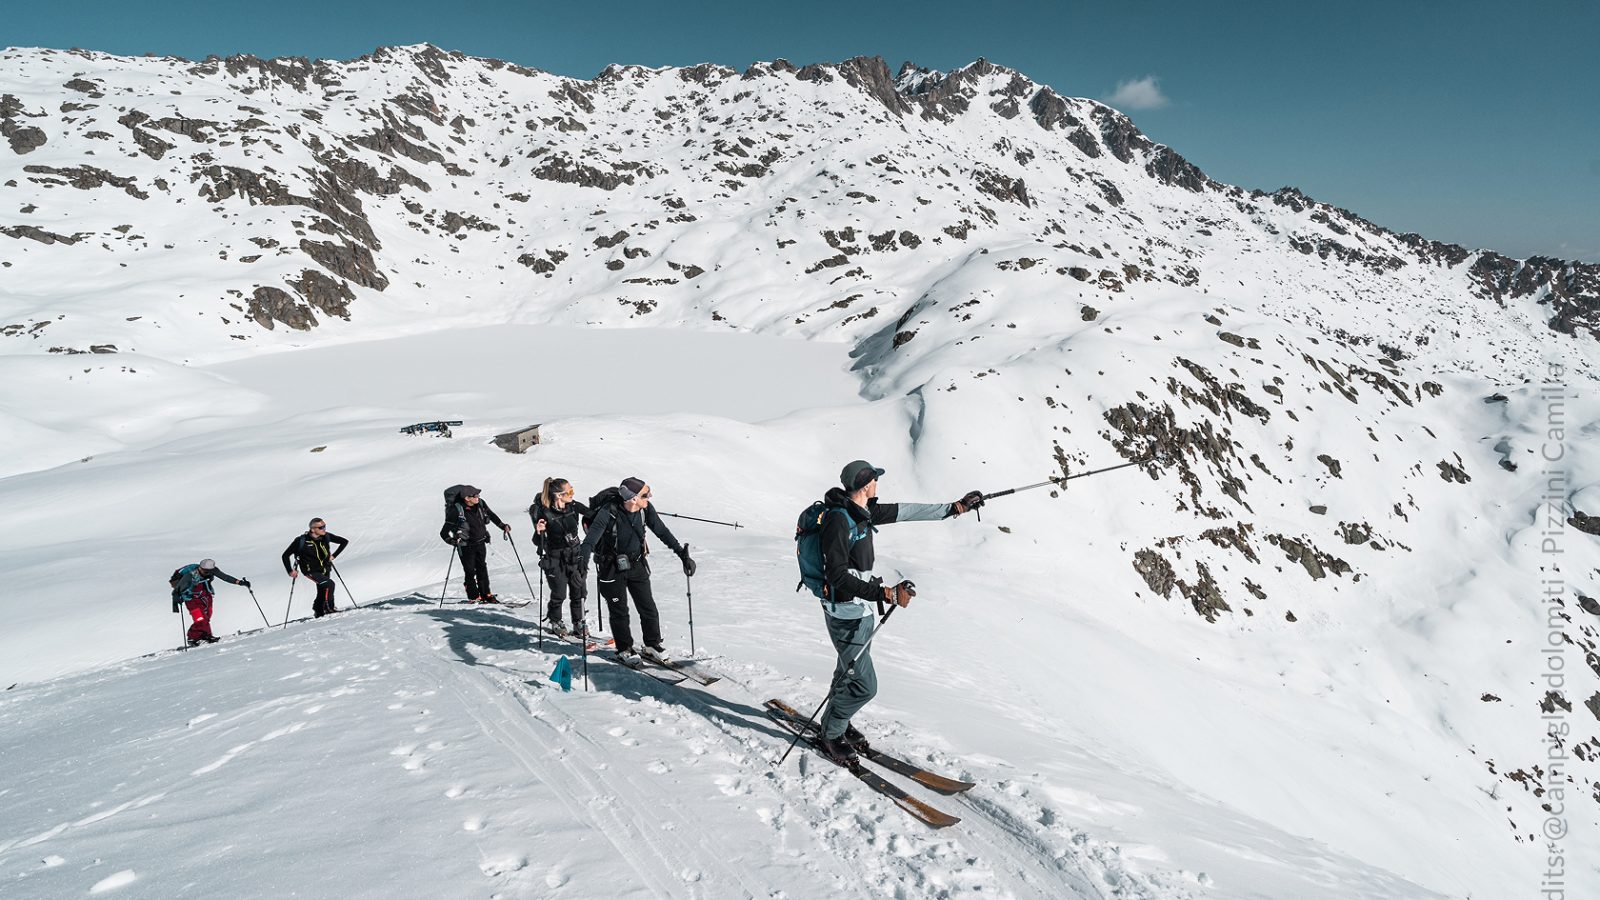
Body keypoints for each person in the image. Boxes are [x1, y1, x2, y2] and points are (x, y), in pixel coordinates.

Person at [812, 460, 982, 766]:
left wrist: (955, 508)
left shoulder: (863, 511)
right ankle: (831, 735)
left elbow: (909, 511)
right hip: (845, 613)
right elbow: (836, 575)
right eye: (875, 479)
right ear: (866, 485)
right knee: (865, 685)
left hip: (860, 611)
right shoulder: (839, 521)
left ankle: (838, 721)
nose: (878, 482)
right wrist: (885, 593)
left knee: (848, 670)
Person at [577, 476, 695, 667]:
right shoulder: (609, 512)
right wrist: (582, 561)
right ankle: (624, 649)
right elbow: (590, 540)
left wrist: (682, 554)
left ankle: (652, 645)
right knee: (619, 611)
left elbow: (662, 532)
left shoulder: (645, 509)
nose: (650, 497)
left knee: (648, 607)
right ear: (632, 498)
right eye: (645, 494)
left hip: (637, 564)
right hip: (611, 568)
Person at [531, 477, 591, 638]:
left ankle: (578, 622)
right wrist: (539, 531)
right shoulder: (544, 512)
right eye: (569, 491)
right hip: (555, 558)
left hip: (575, 555)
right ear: (558, 495)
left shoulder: (573, 506)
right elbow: (537, 541)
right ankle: (555, 620)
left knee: (579, 590)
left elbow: (593, 514)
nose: (573, 493)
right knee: (559, 593)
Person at [440, 485, 511, 603]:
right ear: (467, 498)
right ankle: (473, 596)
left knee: (482, 568)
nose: (478, 497)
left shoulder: (481, 504)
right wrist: (452, 541)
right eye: (475, 495)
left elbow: (491, 515)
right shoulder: (456, 510)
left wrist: (502, 526)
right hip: (465, 546)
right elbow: (443, 532)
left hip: (480, 542)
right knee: (470, 571)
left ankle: (486, 594)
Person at [172, 558, 250, 646]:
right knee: (200, 619)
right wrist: (176, 601)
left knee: (207, 616)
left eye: (209, 571)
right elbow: (177, 590)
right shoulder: (191, 575)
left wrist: (239, 582)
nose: (207, 573)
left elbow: (225, 577)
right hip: (191, 599)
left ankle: (206, 635)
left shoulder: (212, 570)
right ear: (201, 568)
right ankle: (192, 638)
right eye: (205, 571)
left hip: (206, 596)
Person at [281, 517, 349, 617]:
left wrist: (333, 556)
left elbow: (344, 541)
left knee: (322, 589)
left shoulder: (326, 536)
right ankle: (329, 608)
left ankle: (318, 610)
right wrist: (290, 571)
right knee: (329, 585)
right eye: (321, 527)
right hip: (310, 570)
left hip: (325, 568)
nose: (324, 529)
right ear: (313, 529)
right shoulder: (301, 541)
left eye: (324, 526)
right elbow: (285, 555)